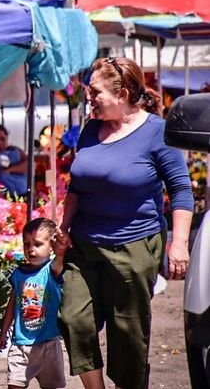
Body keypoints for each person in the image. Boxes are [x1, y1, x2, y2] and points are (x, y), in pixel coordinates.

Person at [58, 56, 194, 389]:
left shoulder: (157, 133)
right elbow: (77, 187)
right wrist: (62, 230)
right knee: (74, 319)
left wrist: (179, 244)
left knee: (127, 335)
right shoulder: (91, 129)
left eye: (95, 92)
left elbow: (181, 190)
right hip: (85, 243)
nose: (88, 99)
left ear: (124, 93)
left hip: (134, 246)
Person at [0, 217, 68, 389]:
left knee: (51, 386)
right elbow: (12, 305)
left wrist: (61, 250)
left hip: (48, 343)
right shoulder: (19, 274)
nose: (31, 249)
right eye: (27, 244)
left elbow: (60, 261)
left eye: (37, 244)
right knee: (14, 384)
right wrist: (4, 331)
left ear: (51, 245)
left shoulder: (52, 271)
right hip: (21, 345)